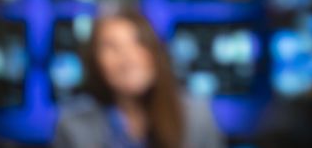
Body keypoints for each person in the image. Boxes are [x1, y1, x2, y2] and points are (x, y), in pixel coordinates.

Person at [54, 9, 224, 148]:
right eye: (112, 47)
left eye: (138, 42)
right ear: (95, 62)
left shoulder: (196, 117)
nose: (128, 58)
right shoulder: (72, 127)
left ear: (155, 52)